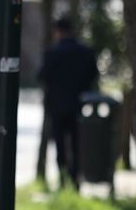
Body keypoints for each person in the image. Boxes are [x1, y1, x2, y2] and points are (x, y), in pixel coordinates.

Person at [39, 16, 100, 188]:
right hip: (78, 103)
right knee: (76, 143)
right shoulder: (86, 52)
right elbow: (93, 75)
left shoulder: (52, 52)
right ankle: (75, 178)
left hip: (57, 105)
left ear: (57, 32)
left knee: (59, 144)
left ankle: (63, 177)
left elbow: (42, 76)